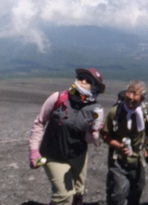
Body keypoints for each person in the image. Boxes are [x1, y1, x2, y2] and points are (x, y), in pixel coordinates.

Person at [29, 68, 106, 205]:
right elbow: (40, 122)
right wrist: (34, 150)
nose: (83, 81)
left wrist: (93, 132)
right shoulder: (59, 98)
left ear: (95, 87)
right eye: (81, 77)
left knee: (78, 192)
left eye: (88, 81)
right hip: (53, 155)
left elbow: (89, 140)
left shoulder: (95, 109)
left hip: (78, 156)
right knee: (64, 196)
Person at [101, 80, 148, 205]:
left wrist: (145, 147)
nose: (130, 97)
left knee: (136, 191)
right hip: (118, 160)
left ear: (142, 98)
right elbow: (104, 135)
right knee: (118, 194)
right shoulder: (115, 112)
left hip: (138, 160)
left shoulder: (147, 111)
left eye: (135, 94)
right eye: (129, 92)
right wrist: (119, 146)